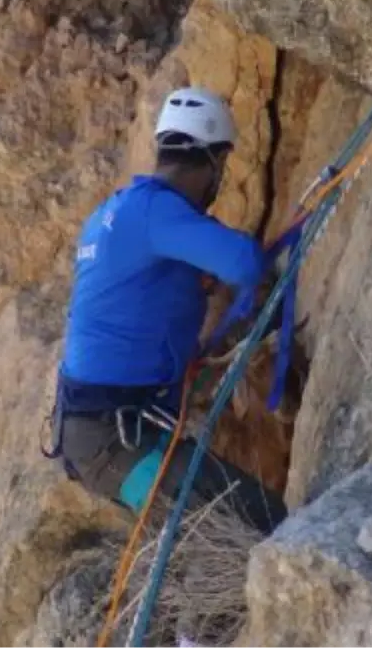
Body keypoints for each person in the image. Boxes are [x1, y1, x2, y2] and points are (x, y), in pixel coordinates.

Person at [45, 87, 288, 535]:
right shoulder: (157, 211)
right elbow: (245, 263)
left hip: (102, 432)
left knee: (224, 526)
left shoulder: (112, 212)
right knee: (267, 524)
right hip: (117, 442)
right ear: (213, 161)